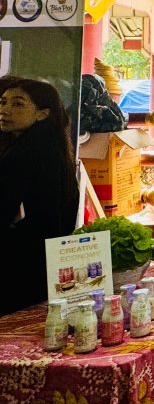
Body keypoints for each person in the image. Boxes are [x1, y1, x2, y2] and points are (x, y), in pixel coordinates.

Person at [0, 78, 79, 315]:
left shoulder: (24, 152)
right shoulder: (54, 147)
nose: (5, 110)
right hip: (49, 258)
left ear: (42, 114)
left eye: (18, 104)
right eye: (3, 102)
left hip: (20, 263)